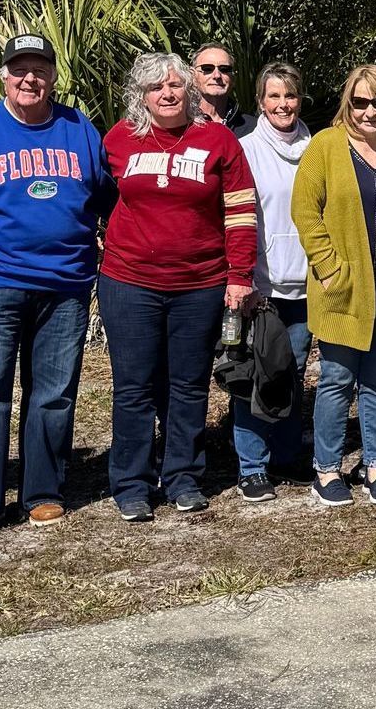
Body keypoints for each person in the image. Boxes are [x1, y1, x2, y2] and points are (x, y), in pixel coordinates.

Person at [0, 34, 116, 542]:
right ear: (4, 76)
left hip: (66, 285)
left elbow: (108, 200)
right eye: (19, 69)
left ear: (54, 76)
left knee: (53, 394)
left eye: (39, 69)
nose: (29, 78)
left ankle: (43, 490)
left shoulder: (80, 130)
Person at [99, 52, 257, 520]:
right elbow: (100, 199)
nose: (167, 94)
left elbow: (241, 212)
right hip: (129, 283)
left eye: (175, 86)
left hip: (200, 284)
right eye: (156, 87)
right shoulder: (119, 139)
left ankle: (183, 477)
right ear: (141, 95)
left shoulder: (218, 139)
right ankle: (131, 483)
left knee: (188, 386)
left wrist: (239, 275)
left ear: (190, 91)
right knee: (133, 387)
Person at [292, 65, 376, 508]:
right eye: (360, 102)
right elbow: (305, 211)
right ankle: (326, 468)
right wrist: (330, 267)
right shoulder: (326, 145)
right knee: (337, 377)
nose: (370, 111)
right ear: (348, 104)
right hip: (344, 279)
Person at [233, 62, 315, 501]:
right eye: (274, 96)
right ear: (260, 102)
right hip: (261, 283)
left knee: (293, 372)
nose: (283, 105)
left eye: (290, 96)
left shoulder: (318, 147)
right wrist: (243, 278)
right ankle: (251, 465)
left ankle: (285, 457)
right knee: (257, 373)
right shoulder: (244, 150)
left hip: (307, 283)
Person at [191, 43, 252, 135]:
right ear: (193, 76)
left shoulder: (252, 129)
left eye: (224, 69)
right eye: (207, 68)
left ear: (233, 78)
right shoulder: (180, 124)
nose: (217, 76)